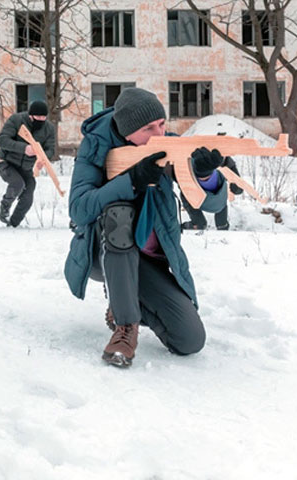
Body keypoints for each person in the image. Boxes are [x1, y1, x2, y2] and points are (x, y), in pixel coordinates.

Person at [64, 88, 228, 368]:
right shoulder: (96, 146)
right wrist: (131, 181)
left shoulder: (168, 146)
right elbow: (78, 209)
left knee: (189, 340)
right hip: (99, 253)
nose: (159, 134)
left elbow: (214, 205)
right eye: (148, 128)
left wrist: (205, 175)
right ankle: (125, 328)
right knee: (119, 212)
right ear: (127, 131)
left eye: (162, 124)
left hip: (147, 260)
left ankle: (123, 301)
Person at [0, 100, 55, 227]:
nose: (41, 119)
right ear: (30, 115)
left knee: (28, 195)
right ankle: (5, 207)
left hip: (27, 167)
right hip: (7, 162)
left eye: (44, 117)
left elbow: (50, 149)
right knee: (18, 184)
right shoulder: (16, 120)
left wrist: (42, 160)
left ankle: (13, 224)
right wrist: (24, 148)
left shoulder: (49, 128)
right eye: (38, 117)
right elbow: (3, 140)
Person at [181, 156, 244, 231]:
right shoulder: (187, 157)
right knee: (185, 188)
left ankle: (217, 224)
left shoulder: (221, 157)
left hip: (216, 197)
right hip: (197, 195)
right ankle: (199, 223)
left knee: (185, 188)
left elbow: (239, 188)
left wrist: (237, 187)